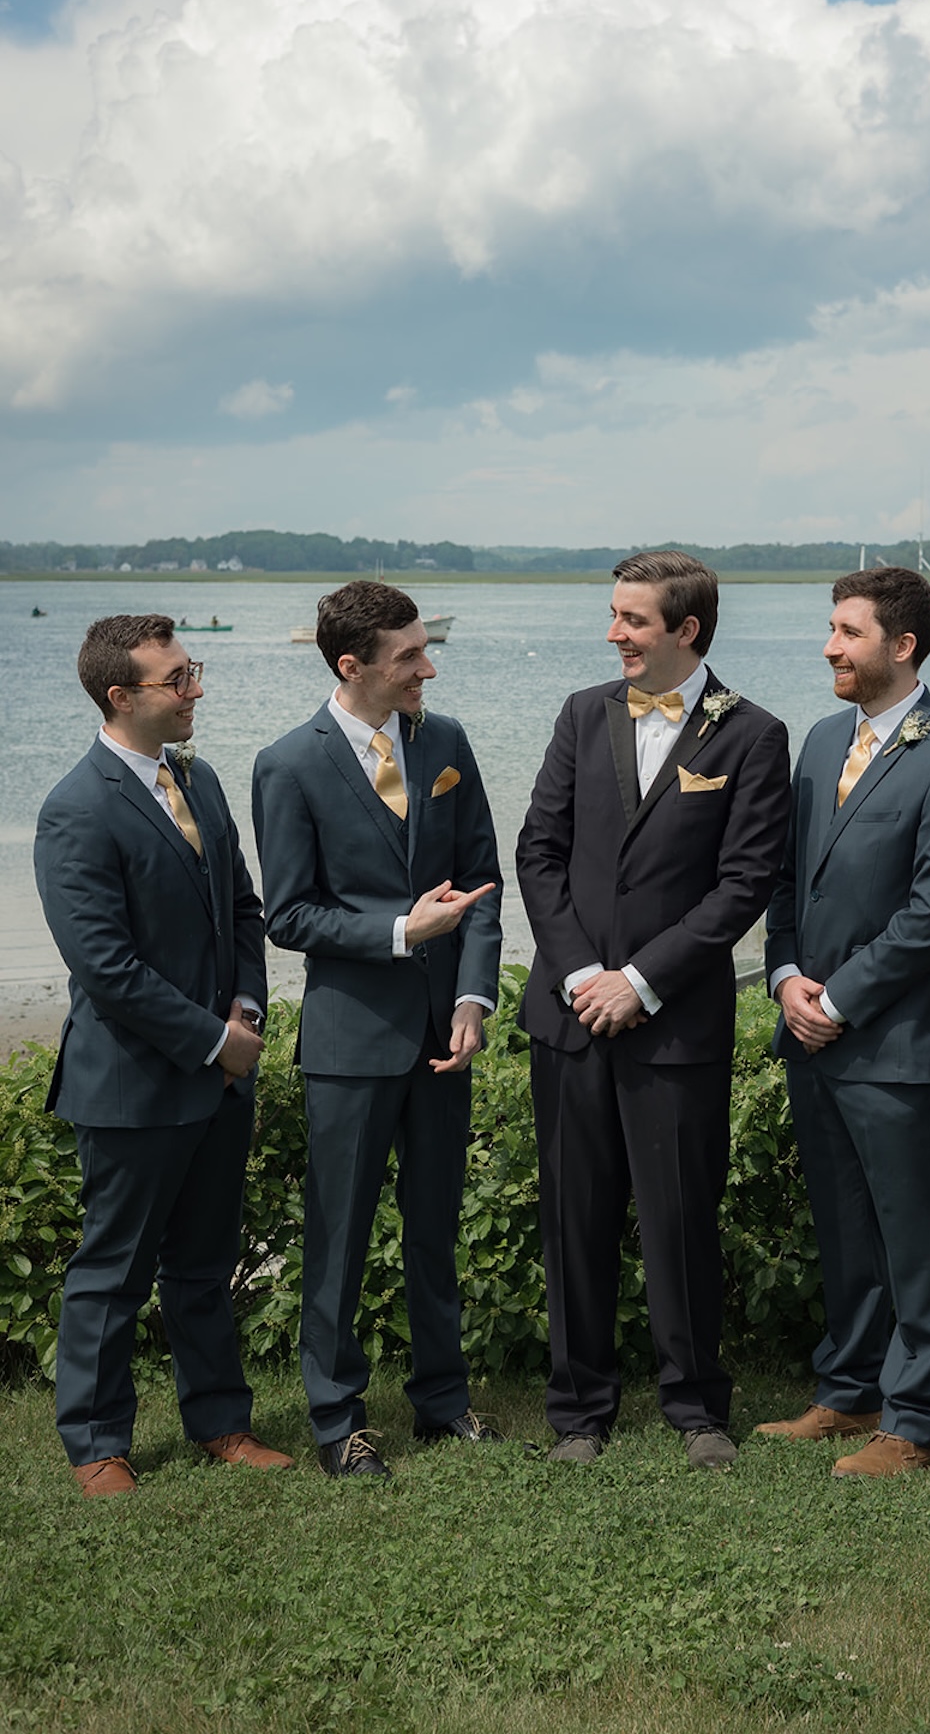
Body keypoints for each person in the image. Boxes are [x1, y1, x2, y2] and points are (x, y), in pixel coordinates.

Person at [516, 550, 790, 1469]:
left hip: (674, 1024)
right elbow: (537, 854)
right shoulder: (579, 714)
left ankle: (696, 1405)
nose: (613, 633)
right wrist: (581, 977)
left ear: (687, 630)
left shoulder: (753, 734)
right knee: (573, 1218)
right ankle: (579, 1410)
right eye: (614, 616)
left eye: (632, 619)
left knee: (680, 1219)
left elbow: (744, 883)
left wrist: (638, 982)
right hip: (569, 1017)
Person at [34, 614, 290, 1498]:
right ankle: (97, 1445)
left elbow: (245, 908)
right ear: (121, 696)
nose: (196, 690)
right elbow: (104, 967)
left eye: (194, 671)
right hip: (133, 1086)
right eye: (178, 679)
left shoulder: (200, 779)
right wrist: (215, 1041)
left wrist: (246, 1009)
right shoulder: (76, 807)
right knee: (112, 1272)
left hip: (222, 1075)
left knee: (203, 1263)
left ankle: (221, 1422)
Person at [252, 581, 501, 1479]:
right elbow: (289, 916)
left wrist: (475, 997)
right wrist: (400, 932)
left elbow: (482, 880)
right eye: (409, 658)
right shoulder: (288, 766)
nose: (428, 667)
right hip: (350, 1044)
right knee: (338, 1236)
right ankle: (335, 1418)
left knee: (436, 1227)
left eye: (426, 649)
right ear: (352, 666)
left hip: (445, 1037)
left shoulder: (447, 743)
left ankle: (442, 1401)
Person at [758, 567, 930, 1477]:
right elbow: (787, 882)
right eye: (830, 628)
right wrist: (785, 978)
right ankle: (849, 1391)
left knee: (915, 1237)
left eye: (848, 633)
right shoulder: (822, 741)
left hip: (897, 1048)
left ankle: (916, 1421)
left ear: (901, 646)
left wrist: (840, 1001)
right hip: (811, 1034)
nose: (829, 647)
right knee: (845, 1228)